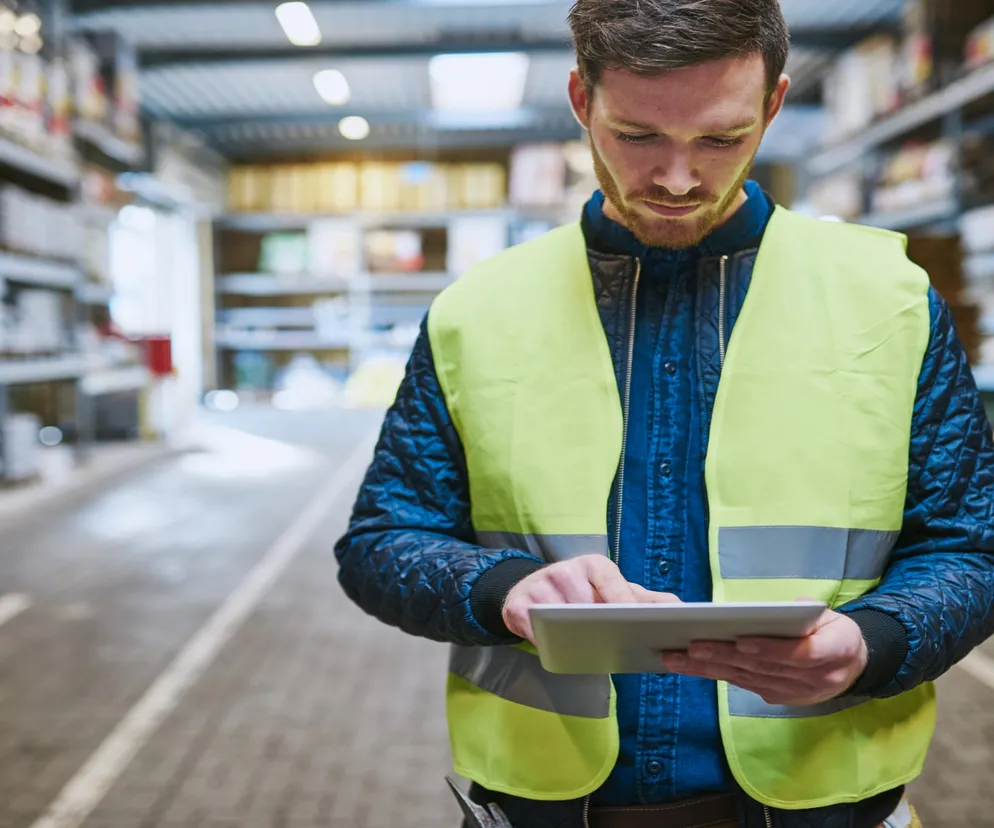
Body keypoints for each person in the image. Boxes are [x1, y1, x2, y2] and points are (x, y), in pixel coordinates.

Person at [334, 1, 994, 826]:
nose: (678, 178)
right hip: (548, 808)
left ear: (774, 105)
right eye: (638, 136)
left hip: (824, 803)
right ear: (582, 101)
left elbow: (971, 546)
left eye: (719, 139)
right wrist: (499, 588)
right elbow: (381, 541)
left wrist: (875, 642)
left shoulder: (890, 302)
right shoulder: (480, 311)